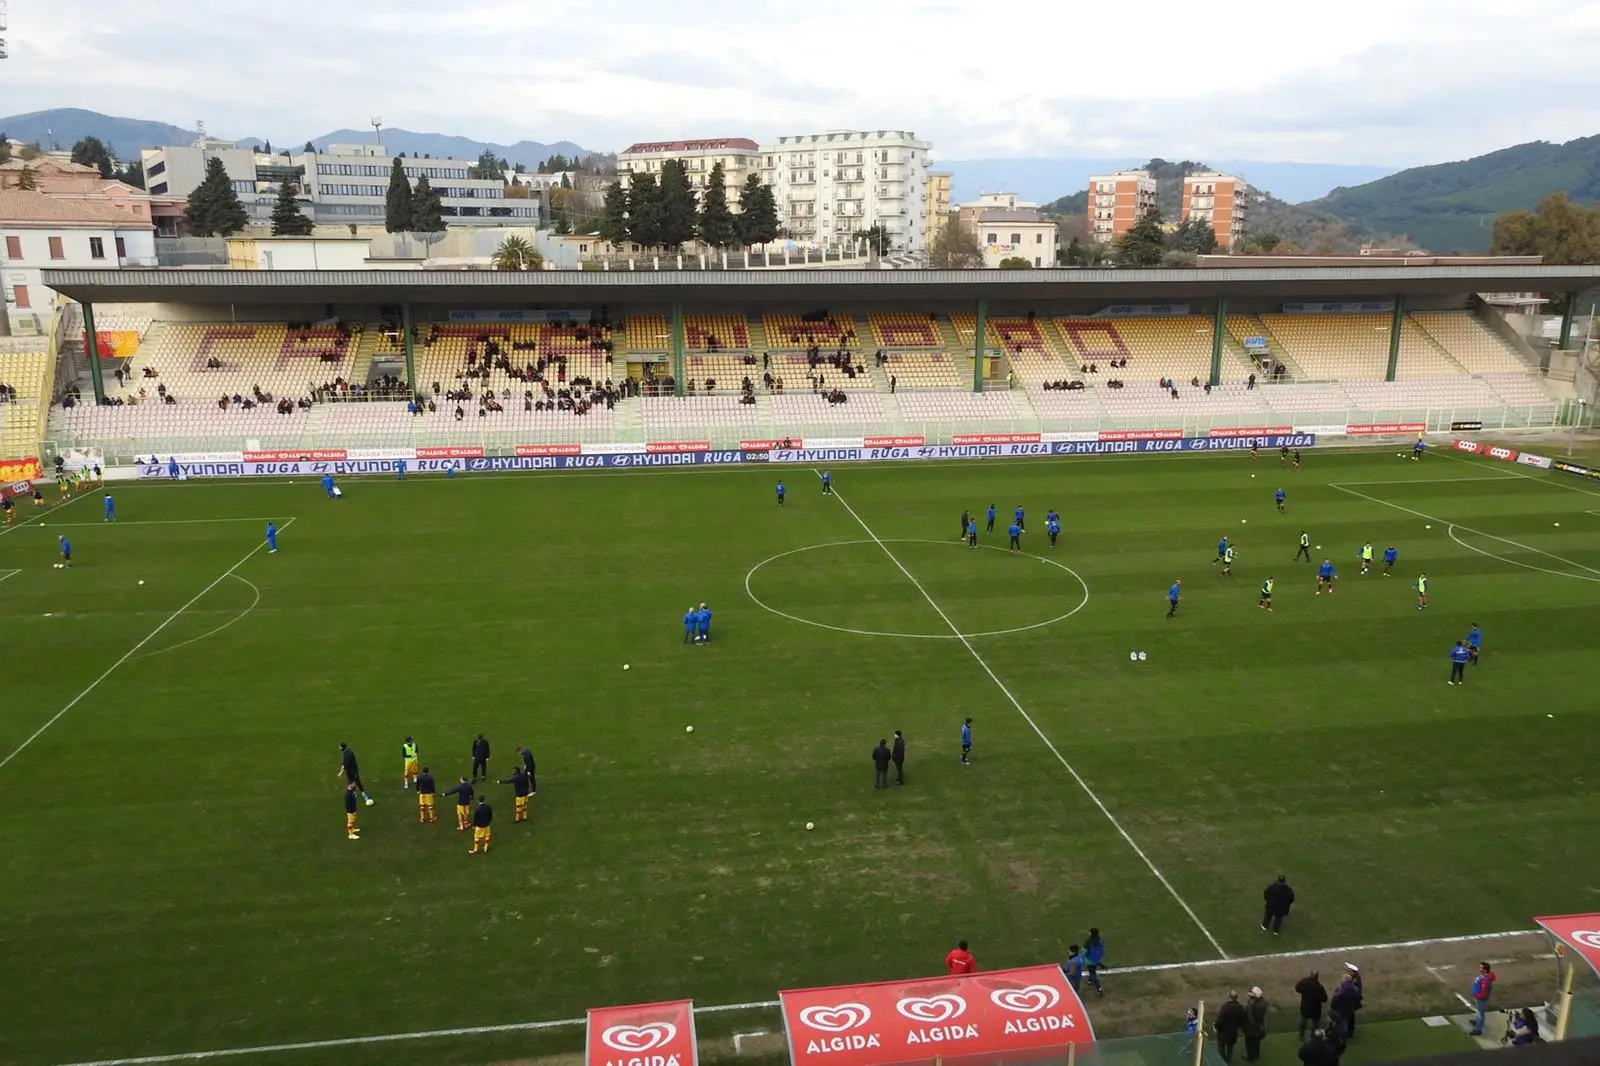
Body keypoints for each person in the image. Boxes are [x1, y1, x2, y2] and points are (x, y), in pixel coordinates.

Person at [1214, 991, 1247, 1064]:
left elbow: (1220, 1019)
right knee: (1230, 1048)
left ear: (1229, 997)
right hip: (1233, 1031)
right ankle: (1228, 1062)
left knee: (1221, 1047)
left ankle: (1221, 1062)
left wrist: (1216, 1026)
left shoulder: (1225, 1007)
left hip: (1223, 1031)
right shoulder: (1240, 1008)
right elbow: (1242, 1020)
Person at [1295, 972, 1328, 1040]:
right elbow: (1324, 999)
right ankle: (1314, 1036)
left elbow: (1297, 989)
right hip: (1316, 1009)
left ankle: (1301, 1035)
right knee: (1315, 1023)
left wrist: (1303, 992)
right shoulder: (1319, 987)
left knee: (1303, 1020)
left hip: (1305, 1006)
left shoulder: (1304, 982)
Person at [1330, 970, 1362, 1038]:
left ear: (1345, 980)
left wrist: (1332, 1008)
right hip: (1351, 1008)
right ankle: (1349, 1034)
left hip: (1341, 1010)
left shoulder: (1340, 990)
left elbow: (1335, 1000)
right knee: (1348, 1022)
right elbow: (1359, 996)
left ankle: (1342, 1037)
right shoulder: (1354, 989)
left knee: (1342, 1023)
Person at [1468, 962, 1496, 1035]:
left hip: (1481, 999)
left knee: (1480, 1014)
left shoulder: (1485, 981)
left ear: (1485, 970)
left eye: (1481, 967)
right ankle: (1477, 1022)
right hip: (1479, 997)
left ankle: (1478, 1029)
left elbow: (1483, 994)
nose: (1479, 968)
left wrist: (1477, 996)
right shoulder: (1484, 977)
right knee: (1479, 1012)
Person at [1243, 987, 1269, 1062]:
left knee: (1249, 1043)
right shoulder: (1264, 1003)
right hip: (1260, 1027)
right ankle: (1256, 1054)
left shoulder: (1252, 1005)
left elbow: (1250, 1017)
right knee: (1257, 1041)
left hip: (1251, 1027)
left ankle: (1250, 1057)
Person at [1082, 928, 1106, 995]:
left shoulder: (1088, 941)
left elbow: (1084, 951)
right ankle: (1090, 980)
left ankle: (1099, 989)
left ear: (1091, 933)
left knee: (1092, 973)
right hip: (1098, 958)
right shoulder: (1100, 940)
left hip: (1090, 960)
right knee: (1092, 970)